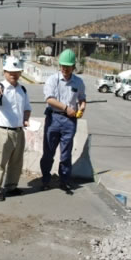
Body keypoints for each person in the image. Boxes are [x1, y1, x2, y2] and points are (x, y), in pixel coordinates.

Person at [40, 49, 86, 192]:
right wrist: (66, 108)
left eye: (68, 66)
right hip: (54, 118)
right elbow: (49, 99)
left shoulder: (78, 82)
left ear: (74, 66)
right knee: (48, 152)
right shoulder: (52, 80)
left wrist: (82, 107)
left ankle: (64, 180)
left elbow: (82, 98)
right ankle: (45, 179)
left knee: (66, 153)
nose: (65, 69)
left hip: (70, 122)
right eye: (62, 66)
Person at [0, 56, 32, 201]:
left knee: (16, 162)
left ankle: (11, 186)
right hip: (3, 131)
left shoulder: (22, 90)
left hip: (19, 131)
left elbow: (27, 108)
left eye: (16, 72)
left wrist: (25, 119)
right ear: (4, 72)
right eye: (10, 72)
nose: (13, 74)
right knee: (0, 162)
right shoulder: (0, 87)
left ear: (20, 73)